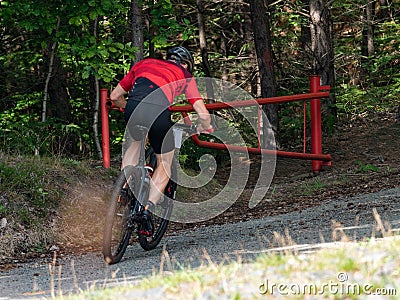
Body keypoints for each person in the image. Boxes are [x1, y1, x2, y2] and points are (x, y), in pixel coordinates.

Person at [109, 46, 213, 235]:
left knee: (135, 145)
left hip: (133, 107)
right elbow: (202, 113)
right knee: (165, 163)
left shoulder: (143, 63)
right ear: (186, 64)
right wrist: (203, 126)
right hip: (158, 111)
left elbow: (115, 96)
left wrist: (129, 109)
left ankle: (123, 189)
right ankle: (147, 210)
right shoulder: (184, 74)